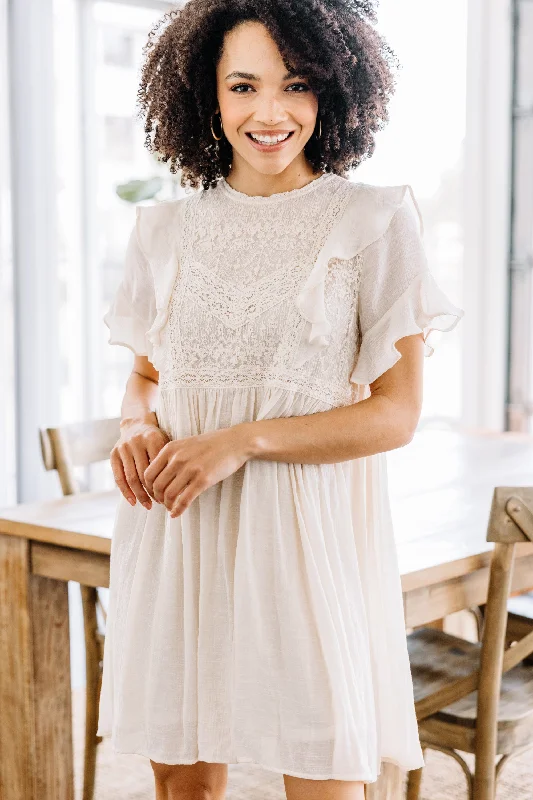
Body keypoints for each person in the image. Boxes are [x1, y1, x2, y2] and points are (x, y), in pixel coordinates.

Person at [97, 1, 464, 798]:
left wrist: (243, 439)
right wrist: (133, 423)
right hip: (177, 533)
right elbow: (149, 376)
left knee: (320, 776)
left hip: (305, 544)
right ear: (207, 96)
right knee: (181, 784)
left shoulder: (371, 220)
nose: (269, 113)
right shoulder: (160, 233)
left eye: (296, 85)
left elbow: (394, 415)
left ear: (333, 92)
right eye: (243, 86)